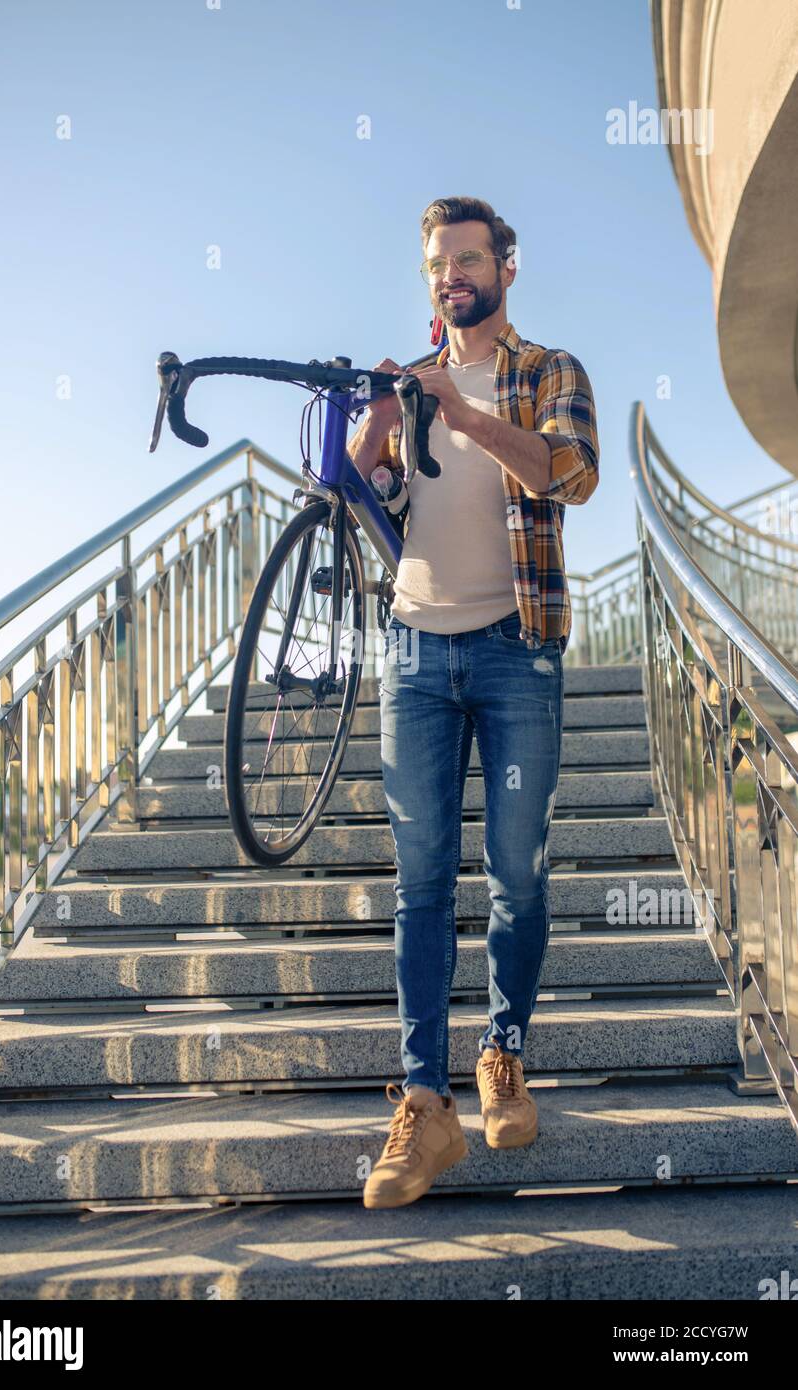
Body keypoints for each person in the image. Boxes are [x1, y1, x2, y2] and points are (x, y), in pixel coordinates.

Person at [347, 195, 600, 1210]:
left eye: (466, 257)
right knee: (418, 886)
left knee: (516, 873)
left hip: (514, 650)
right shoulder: (402, 384)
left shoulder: (549, 372)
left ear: (504, 265)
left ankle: (501, 1052)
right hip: (412, 651)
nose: (449, 274)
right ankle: (422, 1102)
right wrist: (368, 438)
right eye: (435, 263)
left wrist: (468, 414)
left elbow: (567, 475)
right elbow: (365, 507)